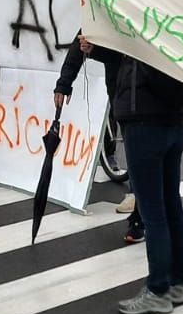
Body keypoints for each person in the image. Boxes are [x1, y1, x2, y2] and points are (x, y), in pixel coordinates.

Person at [82, 0, 183, 314]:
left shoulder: (142, 26)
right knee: (171, 206)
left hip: (143, 128)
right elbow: (128, 62)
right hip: (172, 126)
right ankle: (177, 283)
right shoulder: (171, 25)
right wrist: (97, 51)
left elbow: (137, 69)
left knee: (154, 213)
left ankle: (159, 289)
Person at [55, 26, 143, 243]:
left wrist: (94, 50)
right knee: (137, 147)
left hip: (146, 91)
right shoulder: (99, 5)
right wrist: (64, 83)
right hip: (122, 90)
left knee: (144, 150)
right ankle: (139, 205)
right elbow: (81, 44)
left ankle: (141, 207)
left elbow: (133, 50)